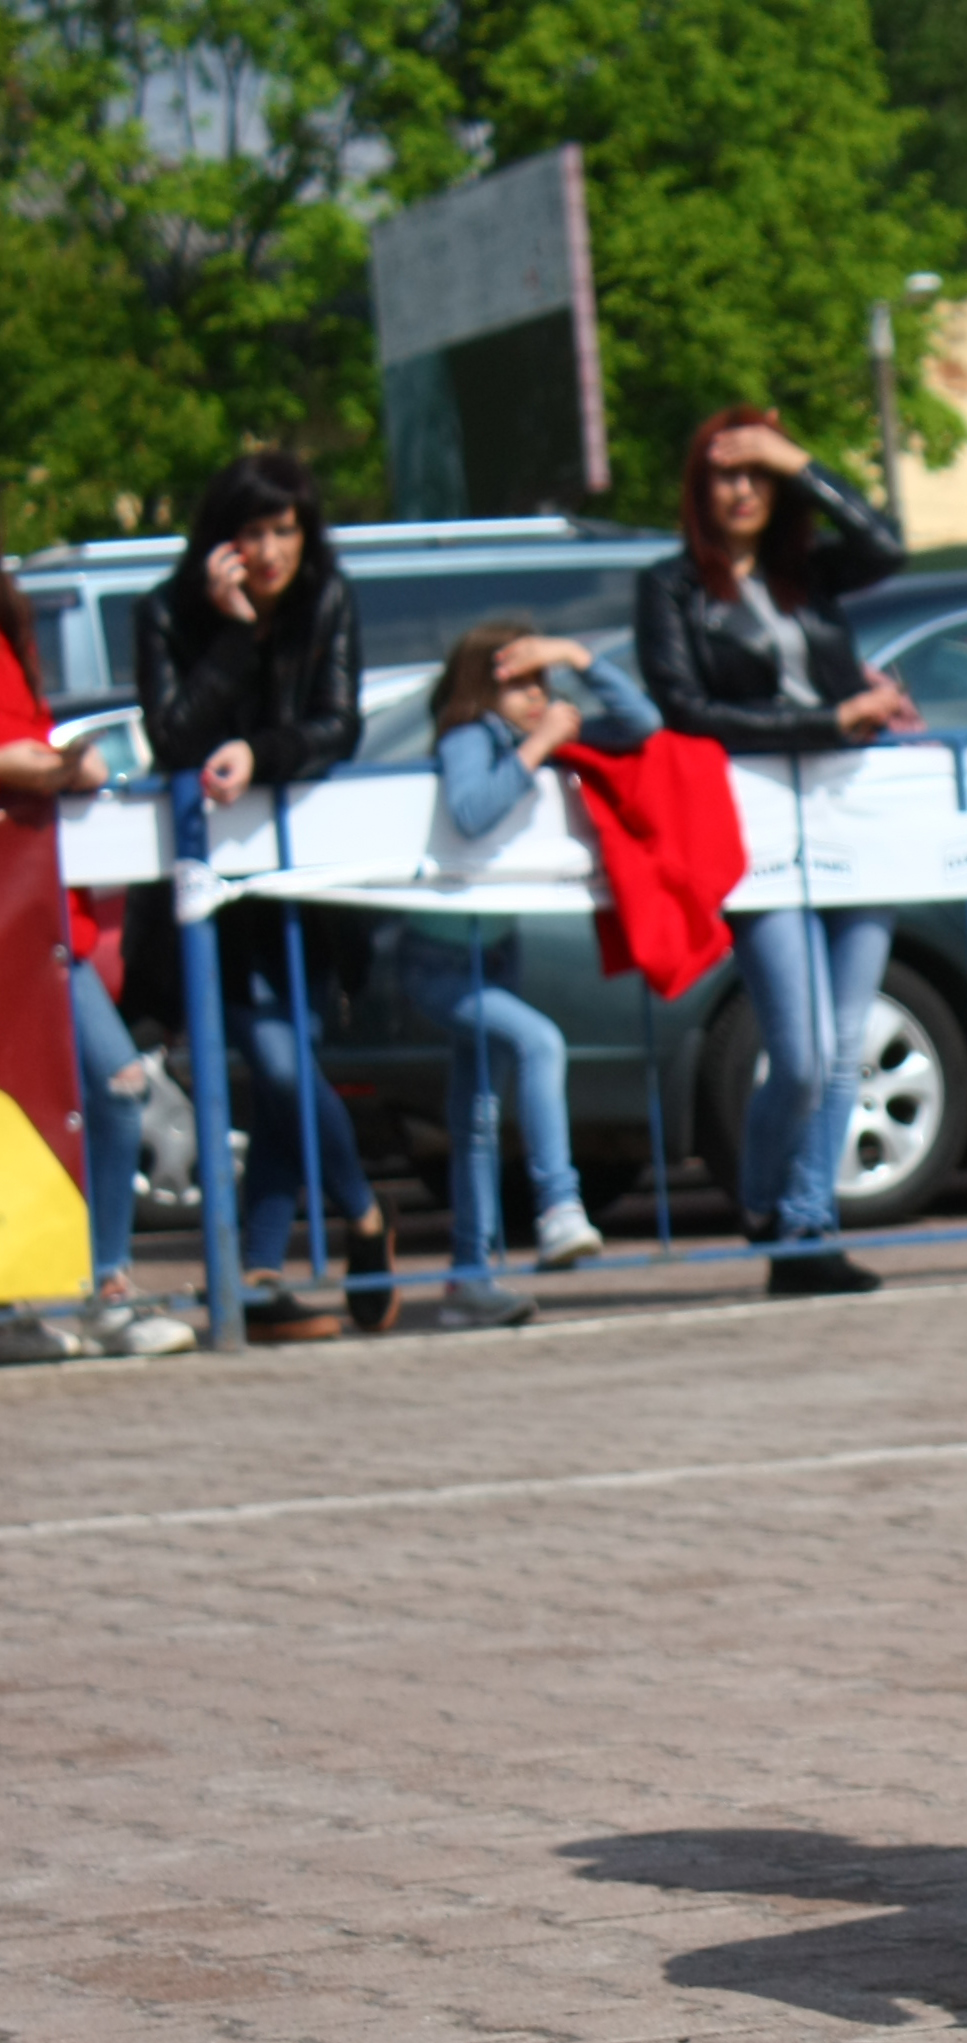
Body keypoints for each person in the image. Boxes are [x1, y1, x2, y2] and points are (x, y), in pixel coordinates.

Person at [635, 409, 916, 1298]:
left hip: (851, 814)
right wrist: (829, 720)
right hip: (754, 823)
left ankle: (806, 1229)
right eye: (727, 473)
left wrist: (797, 459)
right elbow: (686, 709)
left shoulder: (809, 572)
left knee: (845, 1044)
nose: (744, 490)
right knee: (799, 1051)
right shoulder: (672, 588)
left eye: (758, 475)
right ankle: (762, 1197)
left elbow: (887, 545)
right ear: (699, 488)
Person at [136, 451, 397, 1344]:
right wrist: (234, 637)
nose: (272, 550)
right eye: (252, 532)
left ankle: (257, 1278)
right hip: (214, 899)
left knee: (293, 1082)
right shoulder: (167, 612)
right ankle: (365, 1213)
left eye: (286, 530)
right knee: (281, 1072)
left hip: (305, 889)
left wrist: (262, 755)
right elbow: (172, 736)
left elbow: (337, 725)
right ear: (220, 542)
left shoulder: (327, 598)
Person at [409, 623, 662, 1327]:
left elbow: (643, 725)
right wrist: (538, 745)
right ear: (482, 686)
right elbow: (469, 811)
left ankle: (468, 1280)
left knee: (478, 1117)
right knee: (540, 1043)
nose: (536, 696)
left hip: (494, 952)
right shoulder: (469, 734)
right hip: (439, 959)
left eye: (541, 681)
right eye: (519, 682)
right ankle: (558, 1207)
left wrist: (579, 658)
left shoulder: (535, 730)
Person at [0, 565, 194, 1358]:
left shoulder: (11, 639)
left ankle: (103, 1286)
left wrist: (66, 767)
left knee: (115, 1084)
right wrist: (67, 768)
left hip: (35, 916)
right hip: (19, 919)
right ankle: (43, 1300)